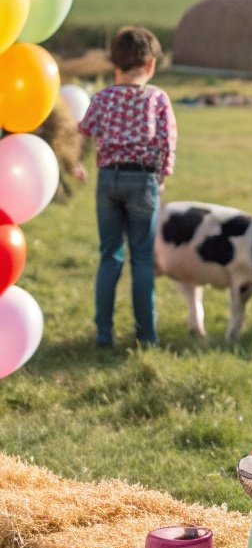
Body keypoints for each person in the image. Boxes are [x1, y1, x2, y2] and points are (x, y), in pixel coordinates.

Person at [78, 26, 176, 349]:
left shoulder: (101, 97)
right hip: (143, 181)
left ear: (115, 64)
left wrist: (78, 164)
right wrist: (161, 176)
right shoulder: (157, 98)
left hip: (108, 180)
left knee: (109, 255)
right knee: (143, 260)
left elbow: (84, 132)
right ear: (150, 65)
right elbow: (167, 141)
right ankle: (146, 337)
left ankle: (103, 334)